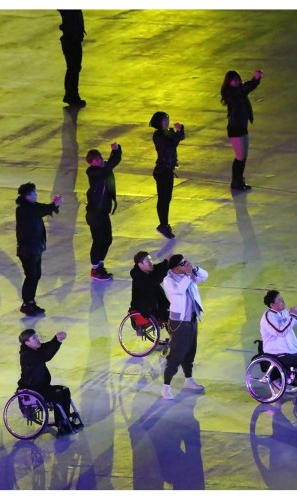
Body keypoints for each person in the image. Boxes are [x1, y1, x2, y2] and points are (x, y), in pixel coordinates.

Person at [17, 329, 83, 435]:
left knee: (64, 390)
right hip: (33, 390)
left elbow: (46, 347)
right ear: (27, 343)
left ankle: (64, 422)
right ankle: (62, 425)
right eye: (34, 338)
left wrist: (56, 339)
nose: (38, 339)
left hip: (41, 387)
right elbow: (46, 356)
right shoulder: (27, 355)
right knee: (58, 395)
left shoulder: (34, 349)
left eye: (37, 336)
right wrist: (58, 341)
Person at [160, 254, 208, 400]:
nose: (185, 265)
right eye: (182, 264)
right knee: (176, 354)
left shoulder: (188, 274)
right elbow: (179, 291)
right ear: (175, 268)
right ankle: (166, 386)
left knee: (190, 351)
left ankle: (189, 380)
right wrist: (188, 275)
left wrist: (194, 269)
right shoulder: (168, 280)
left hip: (191, 319)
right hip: (179, 322)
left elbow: (205, 276)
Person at [15, 182, 63, 316]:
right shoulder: (24, 209)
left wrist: (54, 205)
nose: (37, 195)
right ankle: (26, 303)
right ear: (28, 196)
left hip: (35, 248)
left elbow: (44, 208)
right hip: (27, 250)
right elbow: (41, 210)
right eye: (34, 193)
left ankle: (31, 302)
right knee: (31, 276)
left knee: (36, 275)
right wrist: (54, 205)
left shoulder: (31, 206)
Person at [220, 69, 263, 190]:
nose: (237, 82)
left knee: (244, 155)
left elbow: (245, 89)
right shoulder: (230, 93)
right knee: (239, 156)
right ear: (228, 83)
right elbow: (245, 89)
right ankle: (236, 182)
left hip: (242, 127)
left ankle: (239, 180)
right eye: (234, 80)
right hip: (235, 129)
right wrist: (255, 79)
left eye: (238, 79)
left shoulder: (239, 92)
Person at [85, 143, 122, 281]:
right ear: (90, 163)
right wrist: (114, 153)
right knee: (98, 240)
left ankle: (99, 265)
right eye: (96, 160)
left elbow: (112, 164)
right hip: (94, 214)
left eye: (100, 158)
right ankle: (95, 269)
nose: (99, 161)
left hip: (103, 213)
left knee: (107, 239)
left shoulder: (104, 167)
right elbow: (107, 168)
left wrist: (117, 151)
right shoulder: (93, 172)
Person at [149, 111, 185, 239]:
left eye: (167, 119)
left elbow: (178, 138)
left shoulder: (167, 132)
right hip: (162, 171)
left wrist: (180, 131)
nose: (167, 122)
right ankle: (163, 224)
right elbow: (173, 141)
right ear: (158, 123)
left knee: (166, 199)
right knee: (163, 199)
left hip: (168, 170)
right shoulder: (158, 135)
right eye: (164, 120)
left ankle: (164, 224)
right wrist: (179, 132)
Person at [130, 251, 170, 322]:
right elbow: (155, 280)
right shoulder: (139, 277)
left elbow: (158, 267)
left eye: (150, 259)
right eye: (147, 261)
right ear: (140, 264)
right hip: (146, 309)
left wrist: (167, 262)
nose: (151, 262)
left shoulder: (147, 271)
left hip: (154, 305)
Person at [58, 10, 86, 107]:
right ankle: (71, 94)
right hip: (71, 40)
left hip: (72, 39)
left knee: (74, 67)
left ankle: (71, 94)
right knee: (73, 67)